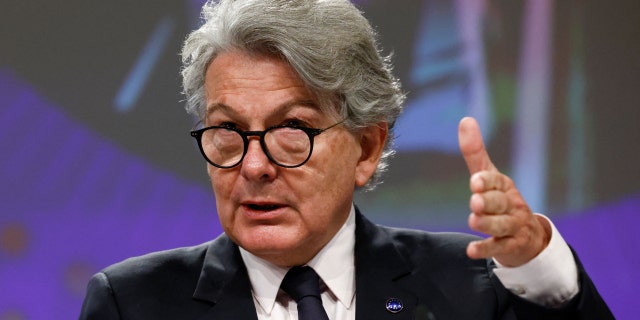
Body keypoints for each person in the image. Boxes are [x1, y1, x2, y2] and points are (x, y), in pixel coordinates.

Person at [79, 0, 613, 319]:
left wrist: (538, 263)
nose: (254, 166)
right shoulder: (134, 303)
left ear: (367, 147)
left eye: (293, 128)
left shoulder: (471, 287)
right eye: (228, 131)